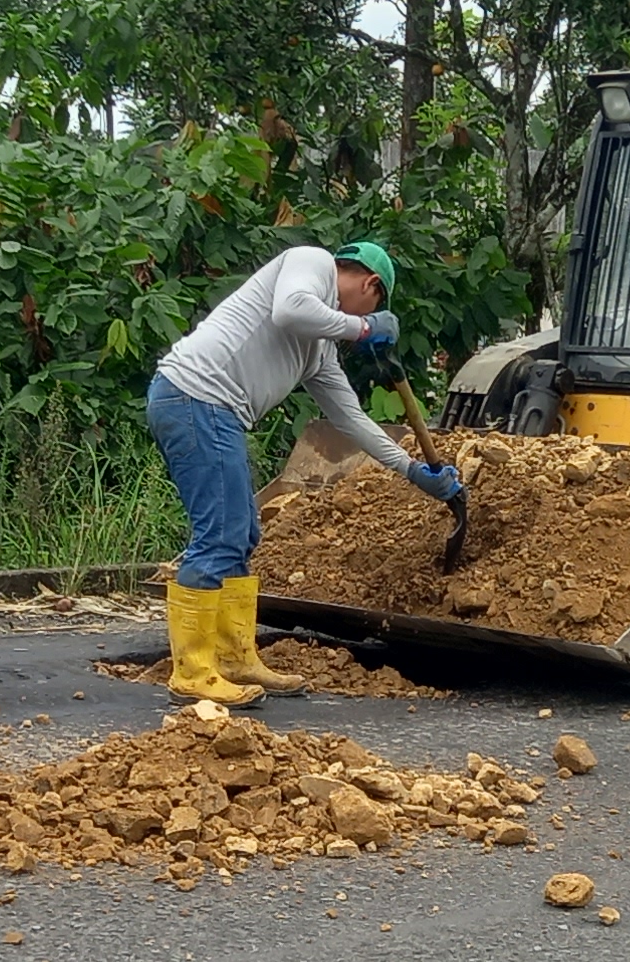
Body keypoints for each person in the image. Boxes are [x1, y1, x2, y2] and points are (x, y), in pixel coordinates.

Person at [145, 239, 461, 704]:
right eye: (374, 307)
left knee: (242, 533)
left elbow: (352, 419)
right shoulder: (312, 261)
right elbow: (290, 310)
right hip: (194, 397)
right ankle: (192, 673)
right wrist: (363, 327)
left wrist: (411, 468)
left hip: (211, 410)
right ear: (371, 285)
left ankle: (233, 658)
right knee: (219, 536)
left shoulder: (318, 350)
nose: (369, 317)